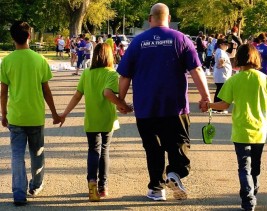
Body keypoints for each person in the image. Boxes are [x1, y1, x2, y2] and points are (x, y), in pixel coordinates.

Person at [117, 3, 211, 201]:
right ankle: (175, 173)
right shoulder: (181, 39)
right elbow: (196, 70)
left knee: (153, 149)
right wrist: (205, 97)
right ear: (169, 19)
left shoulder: (137, 42)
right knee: (179, 144)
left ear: (149, 19)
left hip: (146, 107)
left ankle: (156, 189)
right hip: (175, 106)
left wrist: (121, 101)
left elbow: (124, 75)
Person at [206, 44, 267, 211]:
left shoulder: (233, 80)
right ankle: (253, 192)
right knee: (255, 165)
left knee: (244, 167)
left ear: (238, 59)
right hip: (259, 130)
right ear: (256, 58)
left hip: (241, 131)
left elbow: (224, 104)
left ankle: (248, 200)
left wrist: (208, 104)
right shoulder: (264, 79)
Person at [59, 43, 131, 202]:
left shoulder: (87, 73)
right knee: (104, 151)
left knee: (93, 150)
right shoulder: (111, 73)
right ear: (109, 55)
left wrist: (65, 113)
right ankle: (102, 187)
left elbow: (77, 96)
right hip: (106, 119)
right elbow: (108, 93)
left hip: (91, 119)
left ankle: (92, 181)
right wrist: (123, 105)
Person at [0, 21, 61, 206]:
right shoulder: (39, 60)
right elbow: (46, 91)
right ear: (29, 36)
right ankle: (35, 185)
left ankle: (18, 192)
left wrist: (3, 114)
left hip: (16, 116)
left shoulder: (7, 61)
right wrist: (55, 113)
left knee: (17, 155)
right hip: (35, 116)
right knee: (37, 153)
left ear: (12, 38)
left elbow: (3, 92)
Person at [212, 38, 237, 114]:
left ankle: (216, 108)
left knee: (219, 91)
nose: (227, 46)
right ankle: (218, 109)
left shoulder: (222, 51)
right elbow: (221, 59)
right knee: (220, 92)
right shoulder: (221, 52)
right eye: (226, 45)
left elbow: (232, 55)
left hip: (222, 75)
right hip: (222, 75)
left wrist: (234, 48)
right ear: (221, 45)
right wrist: (221, 64)